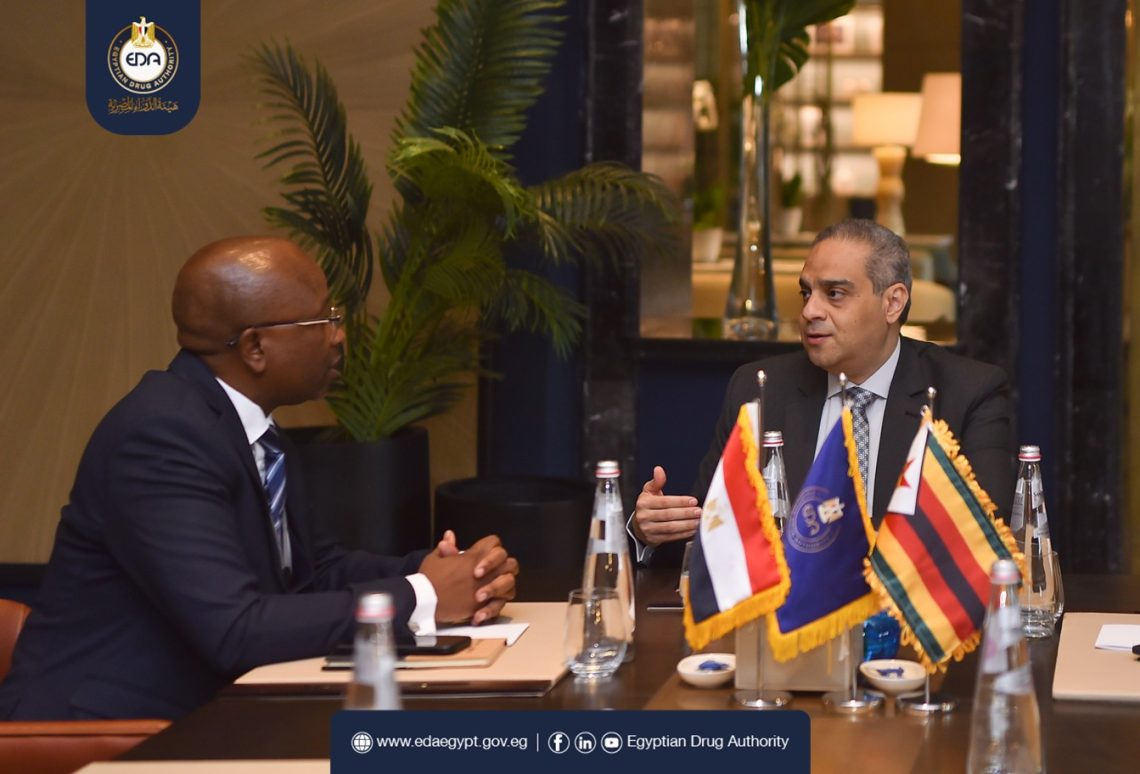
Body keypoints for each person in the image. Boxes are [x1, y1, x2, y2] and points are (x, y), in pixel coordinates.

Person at [0, 236, 519, 720]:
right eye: (324, 319)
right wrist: (421, 595)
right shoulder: (160, 436)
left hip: (203, 716)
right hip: (99, 734)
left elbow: (313, 572)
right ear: (255, 347)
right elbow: (235, 630)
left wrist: (435, 572)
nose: (339, 336)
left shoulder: (251, 433)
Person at [631, 219, 1016, 566]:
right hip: (788, 615)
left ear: (893, 303)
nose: (810, 311)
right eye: (806, 293)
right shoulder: (761, 388)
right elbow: (709, 533)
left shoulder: (966, 393)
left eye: (834, 294)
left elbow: (984, 539)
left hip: (908, 616)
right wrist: (650, 530)